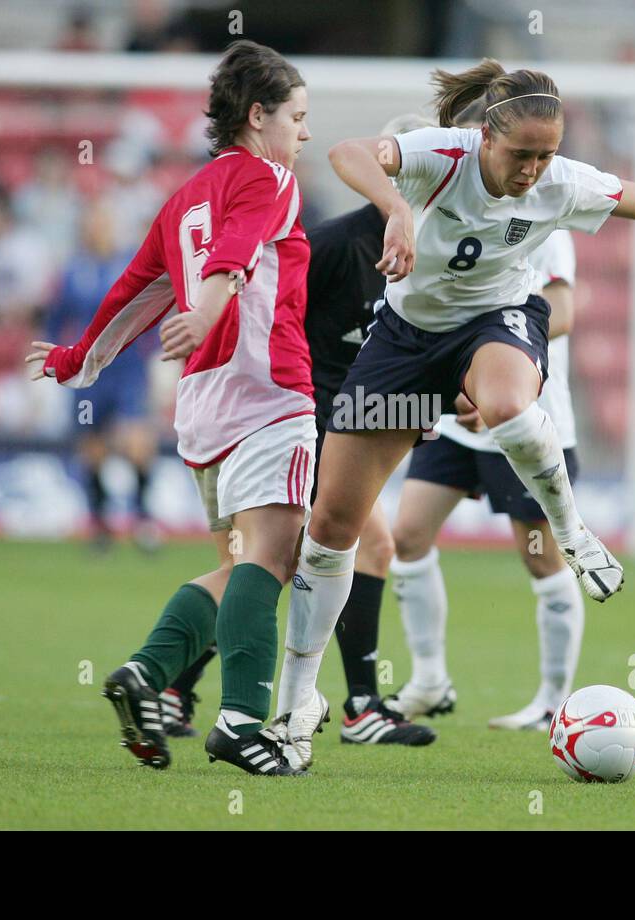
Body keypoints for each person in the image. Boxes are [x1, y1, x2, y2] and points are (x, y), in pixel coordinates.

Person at [272, 58, 635, 771]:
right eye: (522, 154)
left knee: (510, 402)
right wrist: (397, 206)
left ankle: (574, 531)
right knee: (332, 528)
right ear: (487, 136)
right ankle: (295, 706)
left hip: (497, 320)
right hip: (404, 340)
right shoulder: (444, 156)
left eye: (547, 154)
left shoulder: (558, 182)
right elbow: (347, 152)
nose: (533, 170)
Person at [26, 40, 315, 776]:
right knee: (274, 559)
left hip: (202, 407)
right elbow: (237, 255)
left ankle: (147, 674)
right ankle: (243, 723)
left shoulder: (185, 195)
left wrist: (76, 360)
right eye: (297, 116)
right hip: (267, 388)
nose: (303, 133)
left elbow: (135, 289)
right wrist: (212, 308)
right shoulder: (271, 177)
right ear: (259, 117)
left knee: (241, 563)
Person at [156, 114, 441, 748]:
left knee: (276, 566)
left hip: (349, 418)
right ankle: (358, 706)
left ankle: (172, 683)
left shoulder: (431, 251)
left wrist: (448, 398)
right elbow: (275, 325)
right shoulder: (337, 245)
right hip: (298, 419)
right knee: (324, 555)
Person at [387, 97, 585, 731]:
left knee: (539, 555)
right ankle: (427, 678)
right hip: (455, 411)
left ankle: (555, 701)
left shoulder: (543, 206)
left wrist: (493, 379)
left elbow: (564, 311)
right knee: (408, 535)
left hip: (518, 416)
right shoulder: (438, 204)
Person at [44, 204, 159, 551]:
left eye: (103, 223)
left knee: (137, 443)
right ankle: (100, 522)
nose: (98, 230)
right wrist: (55, 358)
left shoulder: (131, 263)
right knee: (92, 448)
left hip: (126, 369)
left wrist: (151, 350)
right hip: (88, 373)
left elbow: (152, 307)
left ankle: (142, 518)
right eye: (92, 224)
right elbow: (54, 320)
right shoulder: (72, 272)